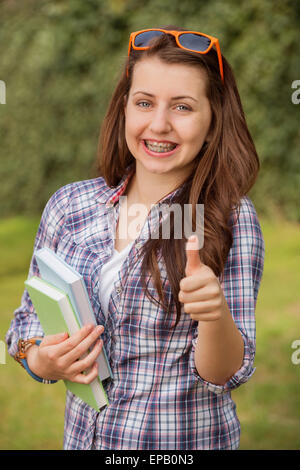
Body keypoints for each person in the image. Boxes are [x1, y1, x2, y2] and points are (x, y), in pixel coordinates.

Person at [6, 26, 265, 450]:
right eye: (144, 103)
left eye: (182, 107)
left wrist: (214, 313)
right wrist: (43, 359)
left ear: (214, 116)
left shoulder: (229, 219)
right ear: (124, 107)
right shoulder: (70, 206)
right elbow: (27, 325)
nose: (159, 125)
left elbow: (224, 374)